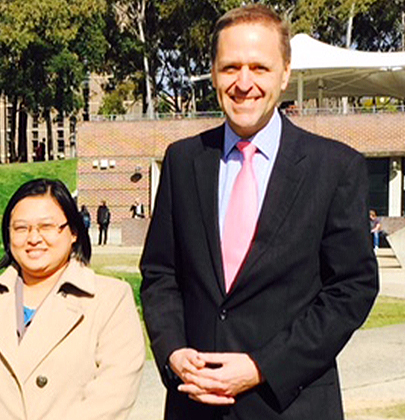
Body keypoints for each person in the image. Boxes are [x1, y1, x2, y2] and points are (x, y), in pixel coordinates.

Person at [140, 5, 378, 420]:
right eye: (230, 67)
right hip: (194, 404)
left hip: (290, 404)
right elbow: (161, 275)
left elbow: (351, 290)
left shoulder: (336, 168)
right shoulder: (182, 161)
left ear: (284, 74)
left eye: (259, 68)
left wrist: (261, 366)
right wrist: (173, 352)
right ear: (213, 73)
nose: (243, 83)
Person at [0, 178, 145, 420]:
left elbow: (113, 395)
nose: (33, 238)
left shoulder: (110, 299)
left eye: (46, 227)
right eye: (21, 228)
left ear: (73, 232)